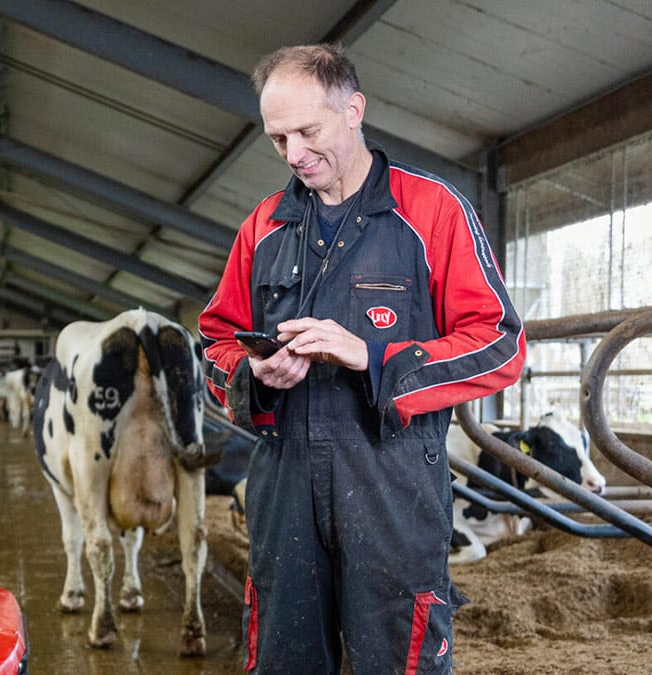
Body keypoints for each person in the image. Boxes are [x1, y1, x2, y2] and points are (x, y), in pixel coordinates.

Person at [198, 44, 525, 674]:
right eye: (278, 139)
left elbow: (499, 343)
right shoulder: (262, 227)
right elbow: (214, 339)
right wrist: (252, 374)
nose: (293, 155)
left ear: (355, 109)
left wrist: (374, 359)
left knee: (397, 658)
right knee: (283, 659)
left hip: (391, 481)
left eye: (308, 131)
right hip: (284, 482)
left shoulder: (431, 212)